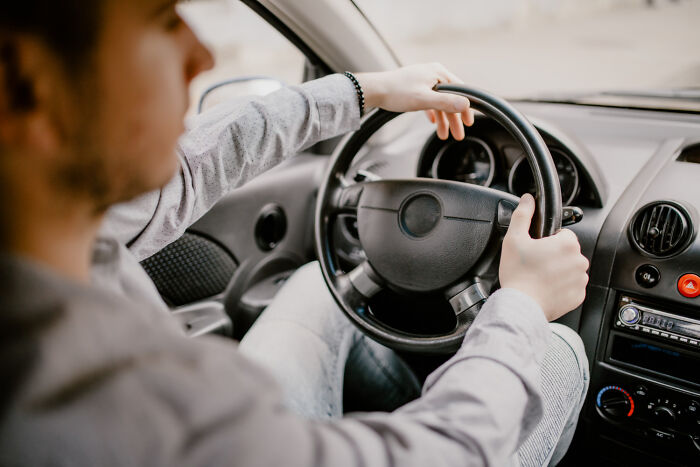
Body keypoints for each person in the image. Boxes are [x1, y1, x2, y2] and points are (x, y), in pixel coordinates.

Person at [0, 1, 590, 466]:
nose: (203, 54)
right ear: (23, 81)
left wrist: (367, 90)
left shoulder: (58, 222)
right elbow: (452, 456)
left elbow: (199, 163)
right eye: (161, 18)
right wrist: (519, 306)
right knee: (557, 353)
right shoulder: (108, 405)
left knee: (318, 282)